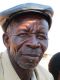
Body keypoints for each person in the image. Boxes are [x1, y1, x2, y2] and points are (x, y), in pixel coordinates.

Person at [0, 3, 54, 80]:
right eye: (23, 34)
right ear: (6, 40)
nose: (34, 44)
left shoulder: (47, 77)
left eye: (41, 36)